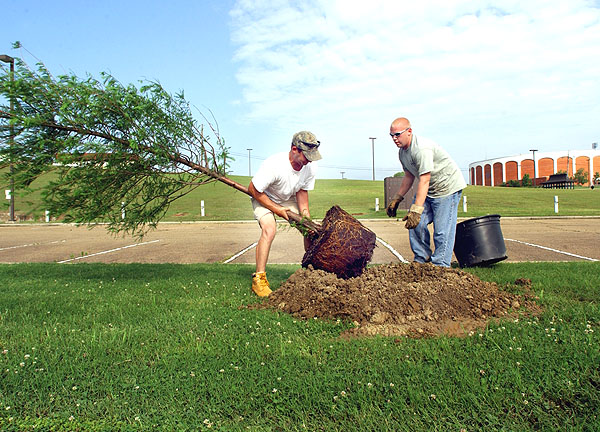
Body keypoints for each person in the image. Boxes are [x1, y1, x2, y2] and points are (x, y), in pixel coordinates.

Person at [247, 131, 322, 296]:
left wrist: (306, 220)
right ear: (294, 149)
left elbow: (302, 196)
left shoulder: (310, 166)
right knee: (270, 229)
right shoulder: (274, 165)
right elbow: (253, 189)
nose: (309, 160)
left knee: (308, 228)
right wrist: (277, 209)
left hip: (288, 198)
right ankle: (259, 279)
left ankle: (310, 270)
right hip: (263, 197)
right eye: (306, 156)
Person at [386, 117, 466, 267]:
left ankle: (441, 265)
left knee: (442, 231)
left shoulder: (422, 149)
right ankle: (422, 259)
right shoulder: (403, 153)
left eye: (397, 134)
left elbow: (424, 180)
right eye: (392, 135)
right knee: (415, 223)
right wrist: (397, 198)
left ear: (409, 131)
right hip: (429, 189)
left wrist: (416, 210)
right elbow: (409, 176)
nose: (394, 139)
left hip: (447, 188)